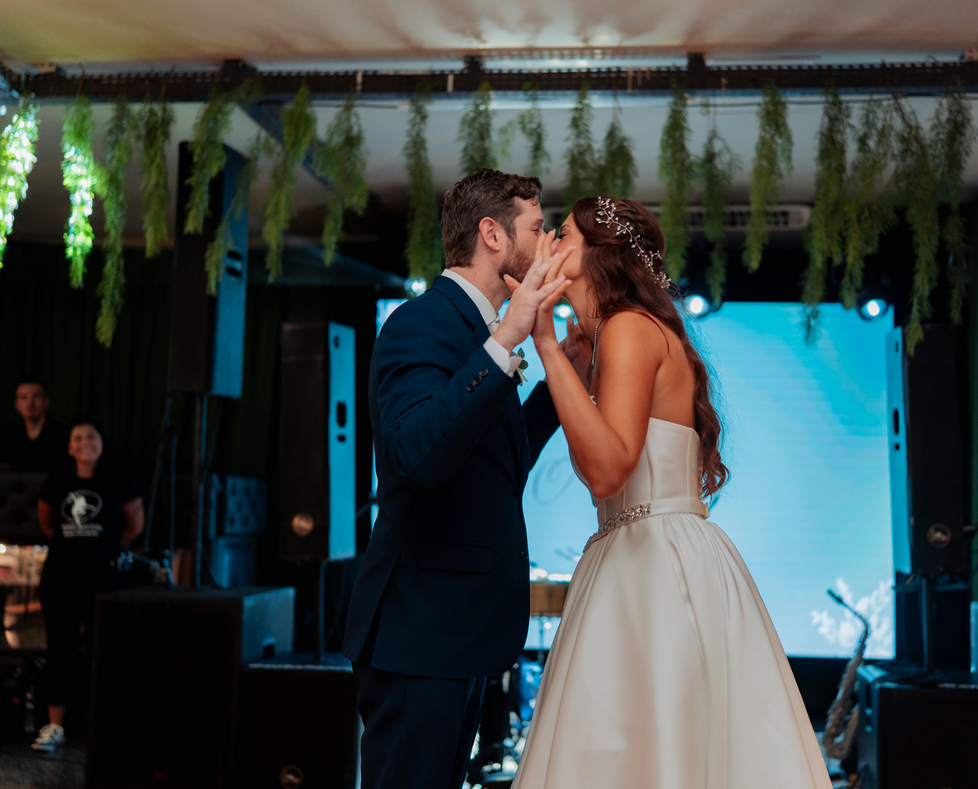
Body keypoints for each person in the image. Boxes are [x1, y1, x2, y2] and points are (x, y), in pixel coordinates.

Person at [510, 197, 832, 788]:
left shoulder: (630, 327)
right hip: (633, 551)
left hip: (653, 562)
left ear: (592, 256)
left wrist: (548, 348)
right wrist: (572, 358)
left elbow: (608, 473)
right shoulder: (610, 336)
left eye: (561, 235)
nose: (548, 244)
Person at [341, 169, 581, 789]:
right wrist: (508, 337)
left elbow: (496, 467)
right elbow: (416, 459)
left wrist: (566, 371)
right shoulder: (422, 323)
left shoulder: (478, 334)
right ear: (492, 234)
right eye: (537, 226)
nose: (548, 238)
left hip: (458, 631)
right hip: (418, 630)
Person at [32, 417, 144, 752]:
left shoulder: (118, 479)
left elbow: (135, 525)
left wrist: (106, 548)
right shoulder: (57, 480)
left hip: (106, 579)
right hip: (61, 578)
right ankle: (54, 727)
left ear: (101, 442)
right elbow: (48, 523)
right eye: (77, 438)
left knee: (106, 651)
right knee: (60, 650)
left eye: (91, 436)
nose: (84, 443)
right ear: (69, 447)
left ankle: (106, 726)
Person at [7, 377, 72, 475]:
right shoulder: (9, 439)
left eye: (36, 397)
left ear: (46, 401)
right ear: (17, 404)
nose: (30, 404)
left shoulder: (63, 435)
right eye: (24, 397)